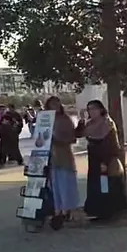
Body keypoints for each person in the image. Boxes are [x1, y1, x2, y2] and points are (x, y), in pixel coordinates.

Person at [82, 99, 127, 220]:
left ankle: (109, 212)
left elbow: (108, 143)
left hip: (106, 159)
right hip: (94, 160)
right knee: (96, 185)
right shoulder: (90, 123)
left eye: (94, 109)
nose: (91, 112)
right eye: (89, 109)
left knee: (106, 185)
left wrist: (105, 161)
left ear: (101, 109)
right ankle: (98, 211)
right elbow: (80, 133)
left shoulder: (107, 122)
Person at [47, 96, 80, 229]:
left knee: (66, 183)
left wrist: (59, 140)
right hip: (52, 156)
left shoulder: (65, 119)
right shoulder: (47, 119)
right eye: (51, 105)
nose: (54, 107)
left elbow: (72, 138)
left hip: (64, 154)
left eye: (56, 104)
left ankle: (67, 210)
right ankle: (58, 210)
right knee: (55, 185)